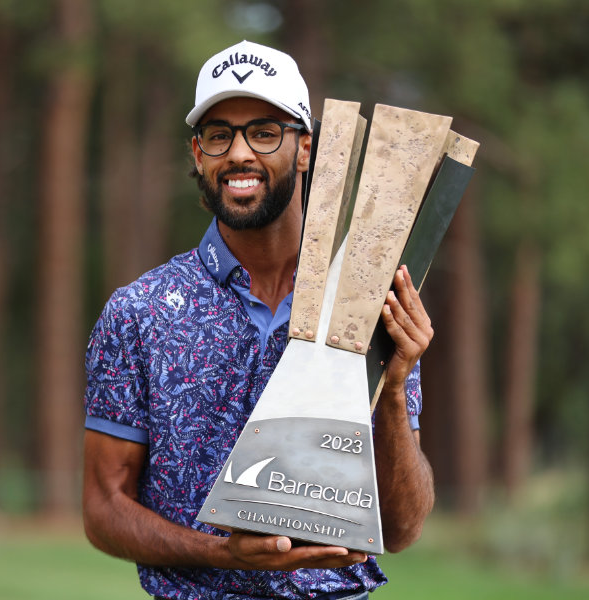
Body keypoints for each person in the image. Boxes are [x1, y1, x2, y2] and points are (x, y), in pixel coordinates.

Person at [82, 40, 435, 600]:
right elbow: (103, 510)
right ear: (198, 154)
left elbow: (402, 528)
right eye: (218, 135)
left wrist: (393, 388)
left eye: (264, 132)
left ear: (305, 148)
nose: (239, 154)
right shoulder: (139, 312)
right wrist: (222, 553)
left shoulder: (361, 302)